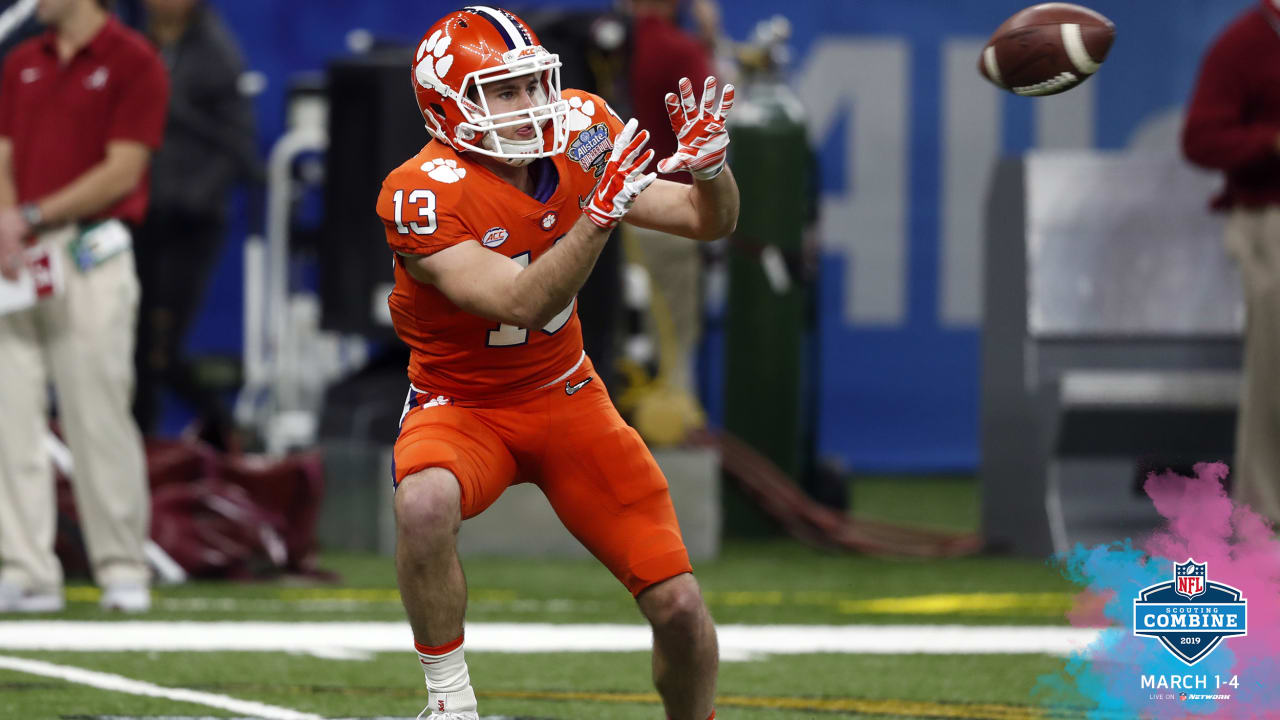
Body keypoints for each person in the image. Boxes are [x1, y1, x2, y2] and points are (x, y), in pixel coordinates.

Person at [380, 6, 736, 719]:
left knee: (681, 608)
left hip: (565, 393)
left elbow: (705, 220)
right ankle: (449, 701)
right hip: (461, 404)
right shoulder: (420, 193)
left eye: (531, 84)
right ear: (446, 104)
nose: (528, 106)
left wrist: (714, 172)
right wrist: (597, 218)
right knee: (423, 503)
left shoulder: (580, 132)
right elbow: (516, 299)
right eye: (502, 92)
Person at [0, 0, 168, 612]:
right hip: (16, 254)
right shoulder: (20, 61)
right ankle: (25, 569)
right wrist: (7, 221)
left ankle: (122, 567)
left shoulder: (134, 60)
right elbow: (4, 151)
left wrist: (35, 214)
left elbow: (123, 170)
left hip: (90, 249)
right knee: (9, 415)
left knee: (96, 411)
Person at [133, 0, 258, 446]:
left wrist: (190, 197)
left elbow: (237, 145)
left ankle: (225, 433)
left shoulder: (216, 52)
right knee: (134, 345)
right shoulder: (130, 40)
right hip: (135, 219)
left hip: (188, 226)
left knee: (159, 350)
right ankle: (140, 446)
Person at [1182, 0, 1280, 529]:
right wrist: (1269, 143)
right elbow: (1200, 138)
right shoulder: (1246, 41)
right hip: (1272, 216)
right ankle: (1267, 512)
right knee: (1275, 371)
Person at [626, 0, 715, 421]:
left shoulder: (600, 48)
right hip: (667, 223)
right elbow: (710, 132)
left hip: (605, 224)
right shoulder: (680, 51)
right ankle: (671, 450)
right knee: (672, 351)